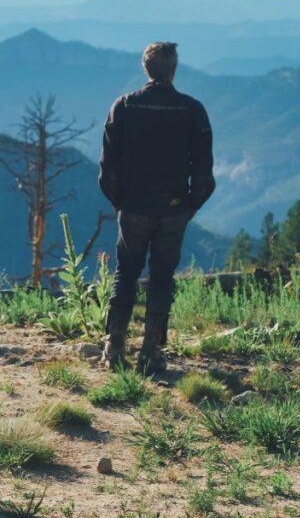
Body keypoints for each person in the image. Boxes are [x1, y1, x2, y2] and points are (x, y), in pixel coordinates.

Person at [98, 42, 215, 374]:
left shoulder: (123, 107)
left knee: (126, 273)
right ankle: (151, 352)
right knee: (162, 277)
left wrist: (120, 202)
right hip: (174, 208)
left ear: (145, 68)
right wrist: (192, 204)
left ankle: (114, 346)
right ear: (173, 70)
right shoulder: (192, 111)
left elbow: (108, 168)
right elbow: (203, 168)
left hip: (133, 207)